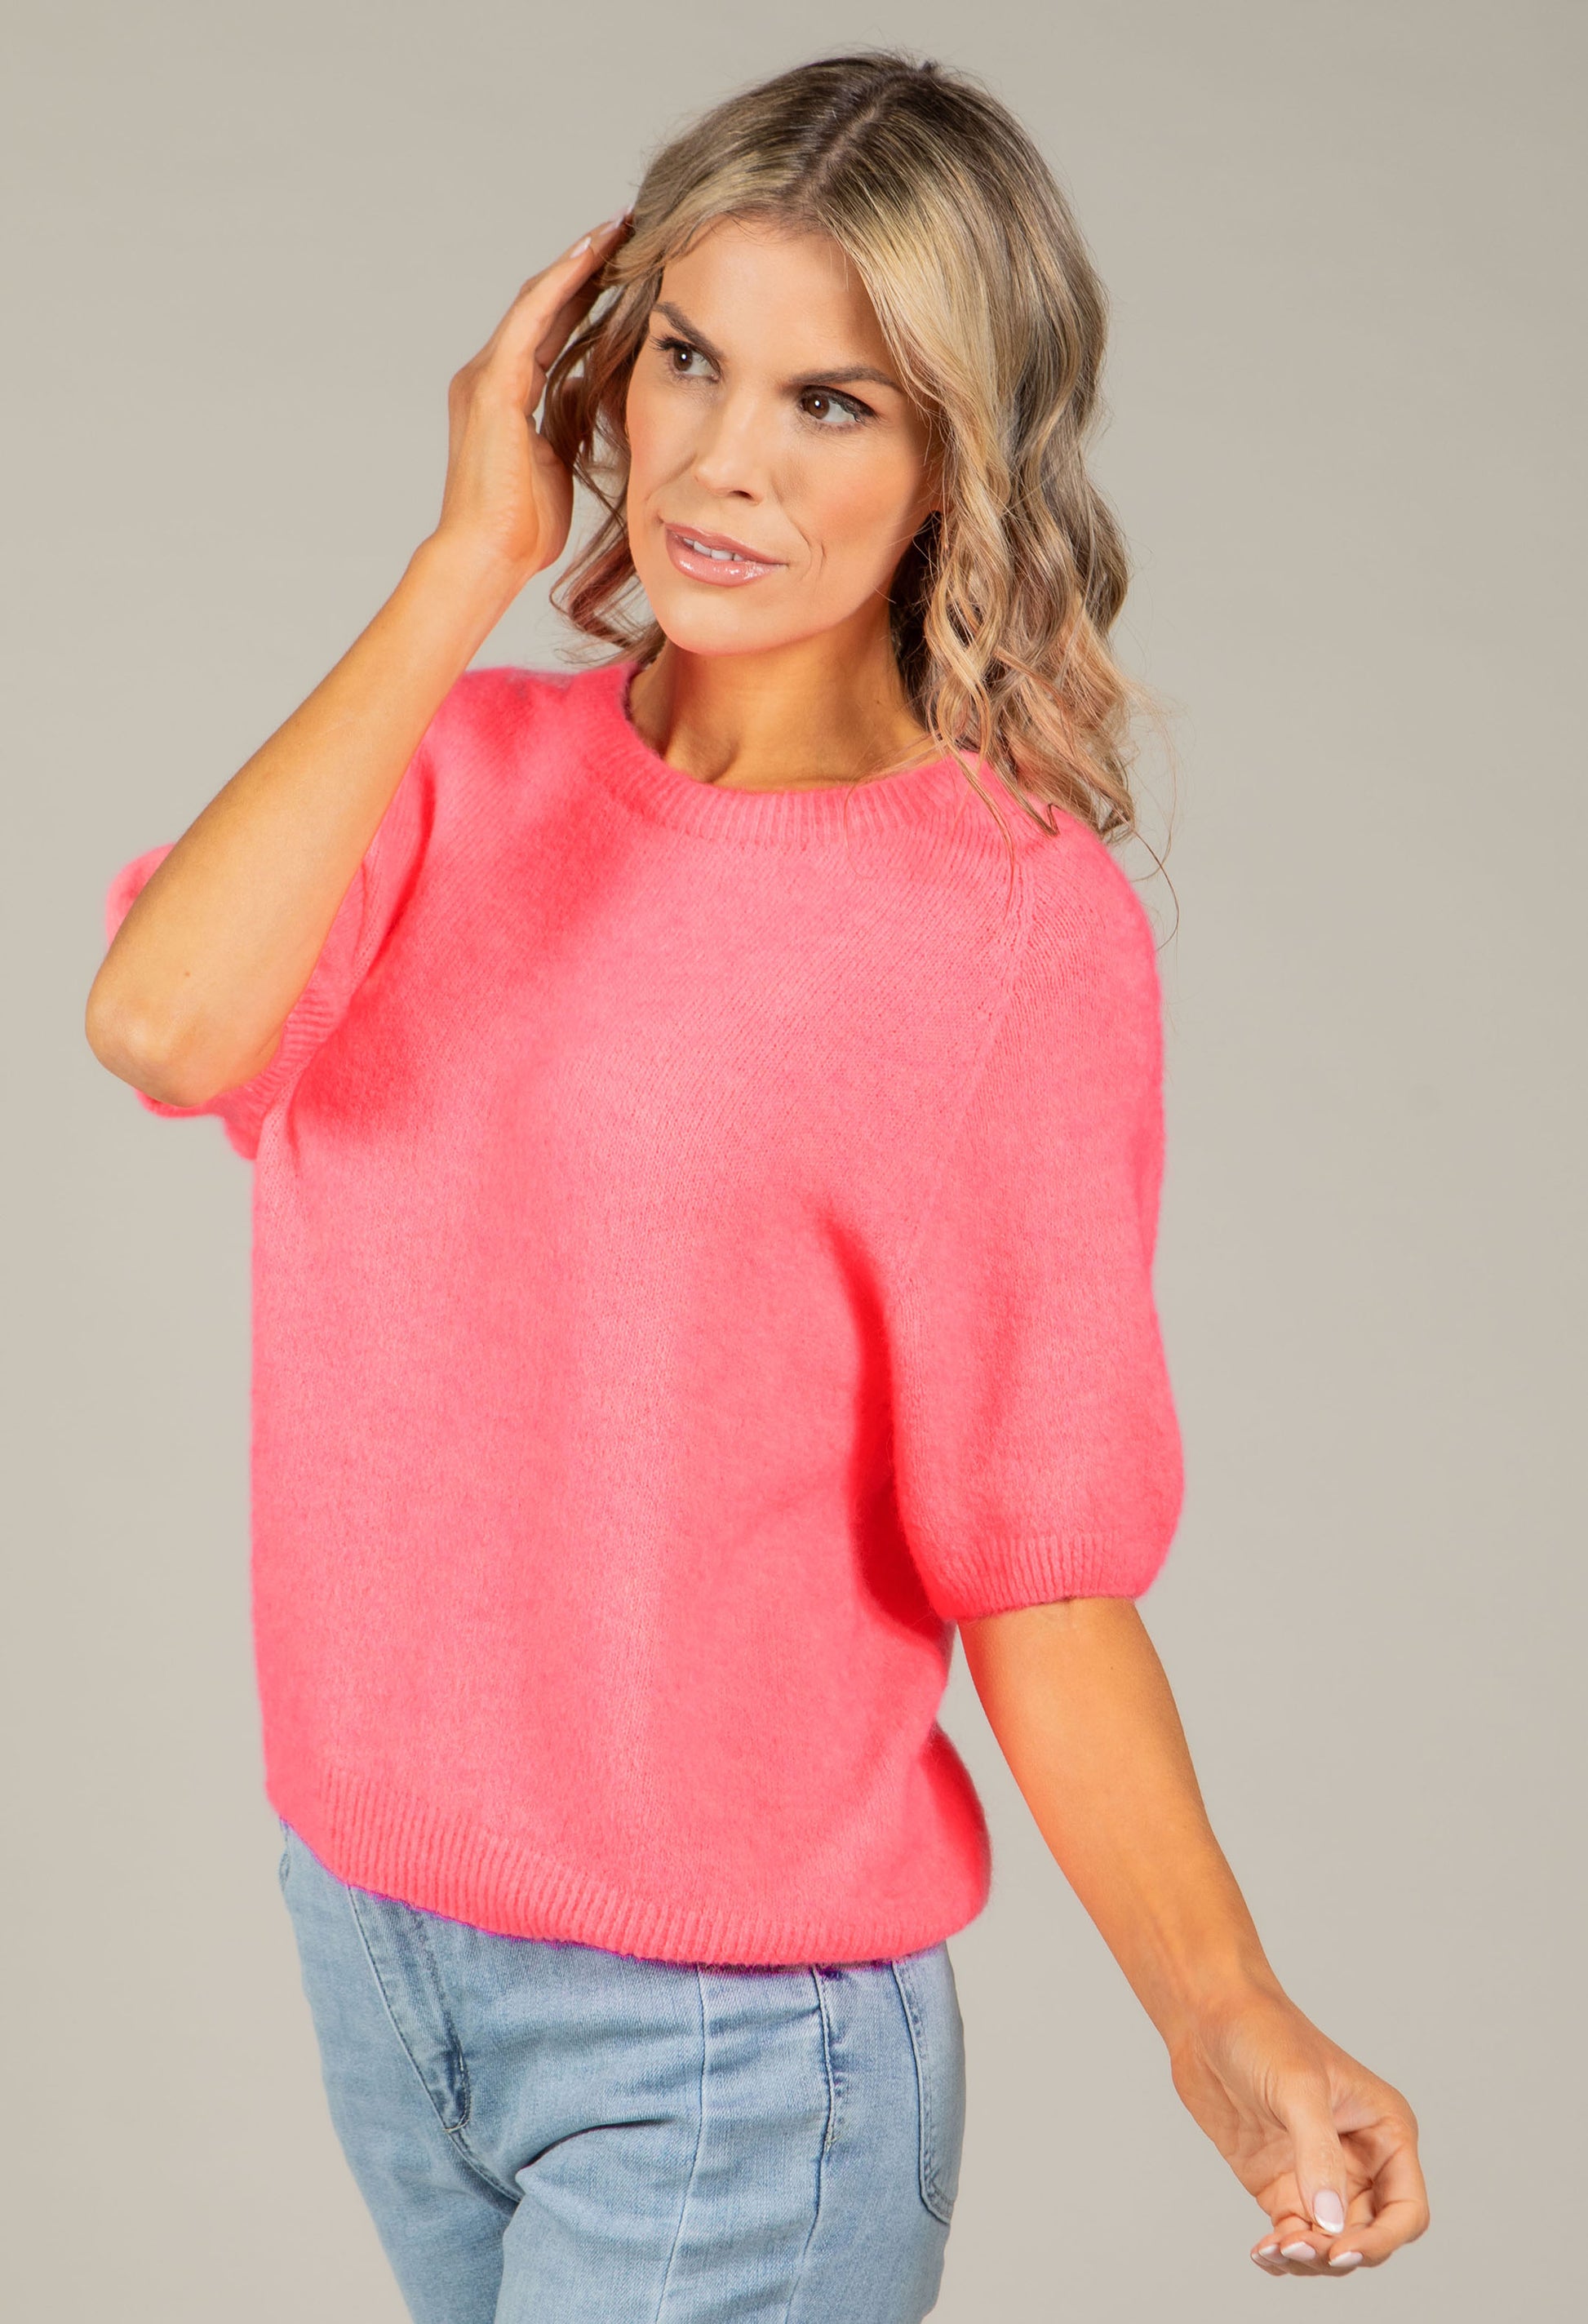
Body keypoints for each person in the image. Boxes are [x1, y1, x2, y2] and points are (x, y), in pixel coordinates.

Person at [85, 48, 1429, 2324]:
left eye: (833, 403)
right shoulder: (442, 778)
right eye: (690, 361)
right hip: (378, 1950)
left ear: (954, 459)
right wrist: (463, 565)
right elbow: (163, 1027)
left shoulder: (1003, 931)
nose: (722, 461)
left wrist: (1224, 2014)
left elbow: (1031, 1558)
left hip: (720, 2054)